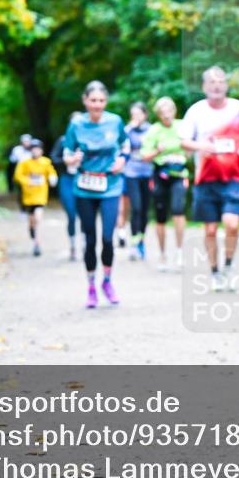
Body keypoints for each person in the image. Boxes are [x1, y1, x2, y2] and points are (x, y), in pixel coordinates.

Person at [180, 66, 239, 292]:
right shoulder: (196, 111)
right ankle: (214, 272)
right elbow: (183, 141)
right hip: (206, 178)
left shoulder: (238, 108)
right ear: (204, 86)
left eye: (220, 81)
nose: (216, 85)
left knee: (232, 223)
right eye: (211, 82)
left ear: (226, 85)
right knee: (210, 230)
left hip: (233, 176)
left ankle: (228, 268)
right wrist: (202, 146)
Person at [63, 81, 129, 308]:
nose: (97, 105)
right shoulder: (76, 124)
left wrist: (122, 161)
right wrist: (71, 160)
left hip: (110, 186)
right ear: (85, 101)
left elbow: (125, 145)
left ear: (106, 102)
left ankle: (107, 282)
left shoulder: (115, 121)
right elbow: (67, 152)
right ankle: (91, 285)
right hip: (84, 187)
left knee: (108, 238)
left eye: (101, 101)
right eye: (93, 100)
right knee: (89, 239)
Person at [141, 96, 189, 271]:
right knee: (160, 216)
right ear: (159, 115)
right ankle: (162, 255)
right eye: (163, 113)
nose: (167, 115)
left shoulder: (183, 126)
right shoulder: (154, 130)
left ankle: (179, 252)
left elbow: (192, 148)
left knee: (178, 211)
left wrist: (187, 150)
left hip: (179, 174)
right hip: (160, 175)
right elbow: (144, 156)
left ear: (174, 111)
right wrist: (157, 151)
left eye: (169, 111)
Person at [13, 139, 58, 257]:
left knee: (38, 216)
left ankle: (37, 242)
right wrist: (28, 181)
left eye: (38, 149)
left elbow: (51, 172)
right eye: (34, 149)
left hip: (41, 195)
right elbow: (18, 176)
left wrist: (53, 177)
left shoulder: (46, 162)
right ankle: (32, 232)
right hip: (28, 196)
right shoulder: (24, 163)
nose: (36, 151)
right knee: (32, 219)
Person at [123, 101, 153, 261]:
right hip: (131, 173)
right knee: (136, 208)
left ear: (145, 115)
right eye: (133, 115)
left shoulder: (151, 129)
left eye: (139, 114)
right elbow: (119, 141)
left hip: (147, 173)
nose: (136, 118)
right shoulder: (128, 130)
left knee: (144, 210)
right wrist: (129, 126)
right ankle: (134, 243)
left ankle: (141, 240)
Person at [51, 113, 83, 260]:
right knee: (71, 214)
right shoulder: (63, 140)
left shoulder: (88, 140)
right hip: (67, 180)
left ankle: (85, 244)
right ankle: (72, 246)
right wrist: (67, 161)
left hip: (83, 180)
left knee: (85, 215)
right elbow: (54, 158)